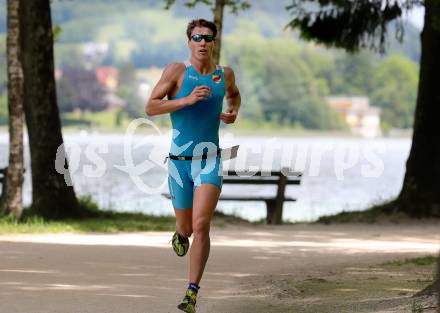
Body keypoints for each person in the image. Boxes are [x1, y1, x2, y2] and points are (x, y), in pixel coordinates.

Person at [145, 18, 241, 313]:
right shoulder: (177, 72)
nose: (202, 42)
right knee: (186, 227)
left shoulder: (223, 75)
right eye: (197, 37)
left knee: (201, 225)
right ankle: (178, 232)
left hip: (209, 160)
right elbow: (151, 106)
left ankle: (192, 292)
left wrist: (233, 110)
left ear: (214, 43)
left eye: (208, 38)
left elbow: (235, 95)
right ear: (189, 41)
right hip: (178, 164)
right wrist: (185, 100)